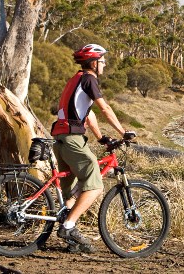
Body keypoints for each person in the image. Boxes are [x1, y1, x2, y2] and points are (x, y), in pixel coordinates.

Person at [50, 43, 134, 252]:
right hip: (72, 139)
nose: (105, 64)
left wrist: (100, 138)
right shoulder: (90, 79)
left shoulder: (76, 79)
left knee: (71, 193)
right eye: (102, 60)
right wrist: (123, 132)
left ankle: (72, 239)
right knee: (95, 185)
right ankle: (69, 227)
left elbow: (86, 113)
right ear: (93, 62)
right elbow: (103, 108)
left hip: (61, 138)